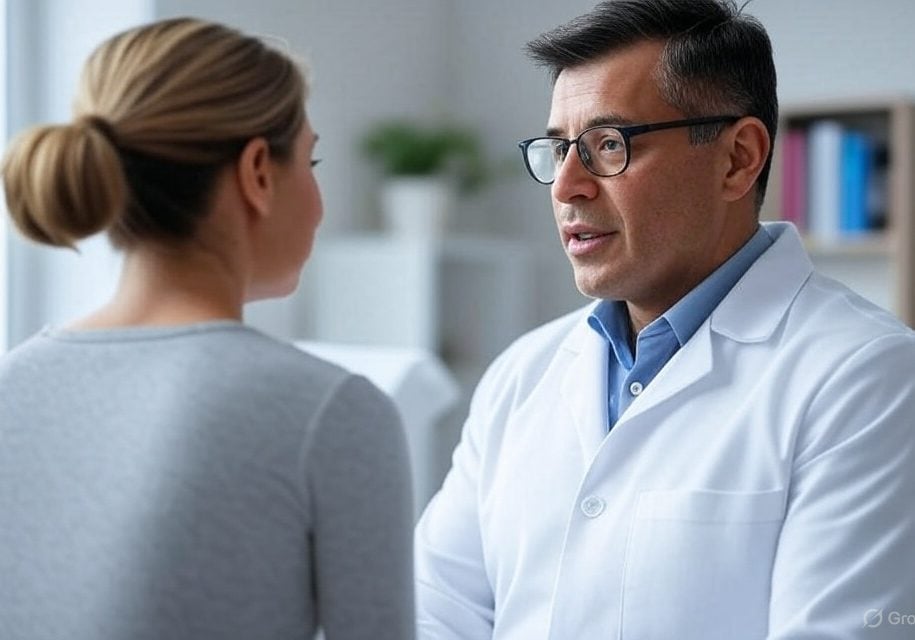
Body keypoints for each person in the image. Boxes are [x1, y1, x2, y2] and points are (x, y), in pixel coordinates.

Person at [414, 1, 915, 638]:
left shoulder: (869, 376)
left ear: (738, 159)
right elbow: (435, 610)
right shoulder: (522, 373)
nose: (567, 185)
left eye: (608, 145)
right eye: (559, 147)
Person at [0, 18, 414, 640]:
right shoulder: (330, 411)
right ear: (256, 172)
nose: (321, 198)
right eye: (312, 159)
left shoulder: (12, 385)